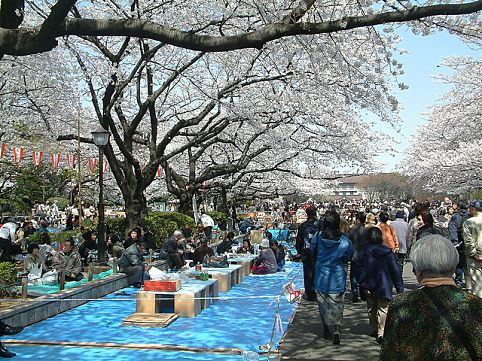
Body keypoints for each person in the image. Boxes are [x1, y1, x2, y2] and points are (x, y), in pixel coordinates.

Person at [380, 234, 482, 360]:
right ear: (454, 267)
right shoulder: (475, 304)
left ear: (418, 271)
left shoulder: (402, 304)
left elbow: (390, 355)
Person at [311, 210, 354, 345]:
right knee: (337, 304)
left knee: (323, 304)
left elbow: (312, 251)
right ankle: (337, 328)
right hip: (337, 276)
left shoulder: (317, 237)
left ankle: (325, 328)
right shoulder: (345, 241)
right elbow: (348, 256)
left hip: (321, 276)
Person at [358, 227, 404, 344]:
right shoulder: (388, 252)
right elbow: (395, 270)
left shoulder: (364, 252)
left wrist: (363, 285)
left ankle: (375, 327)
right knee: (383, 308)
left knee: (371, 308)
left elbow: (361, 270)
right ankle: (381, 331)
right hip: (384, 284)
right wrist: (399, 288)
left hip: (369, 284)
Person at [295, 206, 319, 301]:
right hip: (318, 252)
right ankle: (318, 291)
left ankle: (310, 294)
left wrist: (300, 252)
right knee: (318, 272)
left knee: (308, 273)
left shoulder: (303, 226)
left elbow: (299, 241)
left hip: (307, 252)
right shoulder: (320, 225)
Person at [462, 200, 482, 298]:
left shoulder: (469, 222)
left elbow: (469, 242)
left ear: (474, 209)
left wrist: (474, 254)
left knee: (477, 286)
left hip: (475, 258)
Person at [347, 212, 367, 303]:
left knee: (353, 275)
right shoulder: (368, 231)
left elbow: (347, 243)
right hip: (365, 255)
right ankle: (363, 292)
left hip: (354, 255)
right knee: (363, 274)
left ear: (357, 220)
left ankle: (354, 290)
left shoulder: (352, 230)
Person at [449, 202, 470, 287]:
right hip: (470, 243)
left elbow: (453, 230)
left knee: (459, 263)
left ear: (458, 207)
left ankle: (459, 280)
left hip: (460, 243)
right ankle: (469, 282)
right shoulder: (471, 216)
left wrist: (455, 242)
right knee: (468, 263)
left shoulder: (456, 217)